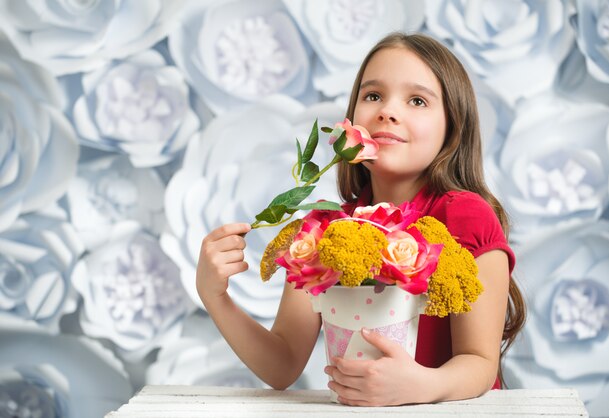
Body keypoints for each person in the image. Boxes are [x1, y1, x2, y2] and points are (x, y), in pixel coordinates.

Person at [195, 32, 526, 406]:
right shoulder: (326, 232)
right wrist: (216, 297)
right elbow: (283, 364)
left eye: (417, 100)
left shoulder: (465, 216)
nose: (387, 111)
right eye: (373, 96)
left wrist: (422, 386)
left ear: (453, 127)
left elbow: (481, 363)